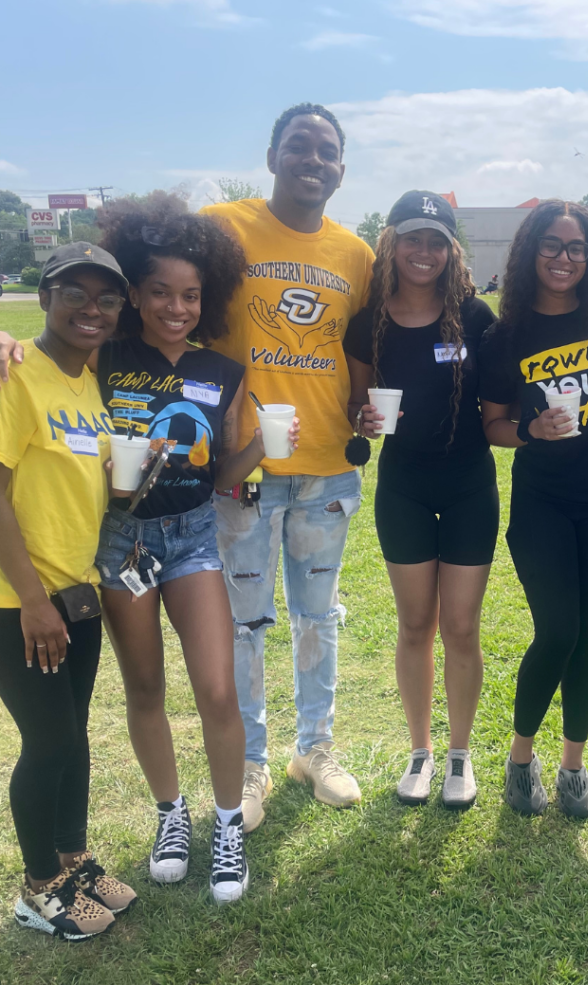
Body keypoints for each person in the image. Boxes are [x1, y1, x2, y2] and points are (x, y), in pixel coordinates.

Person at [92, 196, 297, 902]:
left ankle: (228, 824)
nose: (175, 307)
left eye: (189, 294)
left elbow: (222, 476)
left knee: (216, 688)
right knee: (144, 687)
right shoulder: (105, 356)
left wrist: (263, 452)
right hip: (122, 540)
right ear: (134, 293)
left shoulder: (222, 370)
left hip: (192, 539)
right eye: (159, 292)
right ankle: (170, 814)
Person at [201, 103, 375, 832]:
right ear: (272, 155)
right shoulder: (221, 228)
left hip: (328, 465)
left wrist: (367, 409)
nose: (313, 159)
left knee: (317, 617)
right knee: (245, 624)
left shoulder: (358, 255)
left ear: (341, 168)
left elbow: (359, 351)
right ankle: (249, 763)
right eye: (298, 146)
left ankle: (315, 749)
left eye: (327, 150)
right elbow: (150, 299)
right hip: (244, 468)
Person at [479, 200, 588, 817]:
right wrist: (530, 431)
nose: (564, 258)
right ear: (529, 253)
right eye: (551, 245)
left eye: (576, 248)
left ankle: (573, 766)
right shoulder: (506, 334)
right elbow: (491, 424)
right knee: (559, 631)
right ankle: (521, 760)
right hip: (544, 503)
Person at [0, 243, 136, 940]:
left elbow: (92, 490)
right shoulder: (15, 375)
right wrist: (30, 598)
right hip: (20, 600)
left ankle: (73, 860)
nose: (92, 308)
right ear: (45, 295)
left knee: (74, 735)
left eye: (106, 298)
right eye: (75, 293)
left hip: (76, 592)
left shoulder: (85, 383)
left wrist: (141, 473)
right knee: (49, 740)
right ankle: (37, 889)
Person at [344, 191, 497, 808]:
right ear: (392, 242)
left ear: (451, 249)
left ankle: (459, 755)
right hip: (402, 485)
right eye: (413, 239)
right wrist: (363, 422)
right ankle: (420, 751)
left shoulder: (475, 316)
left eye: (437, 240)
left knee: (460, 627)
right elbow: (356, 410)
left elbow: (498, 404)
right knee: (415, 625)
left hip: (468, 485)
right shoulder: (367, 322)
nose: (424, 252)